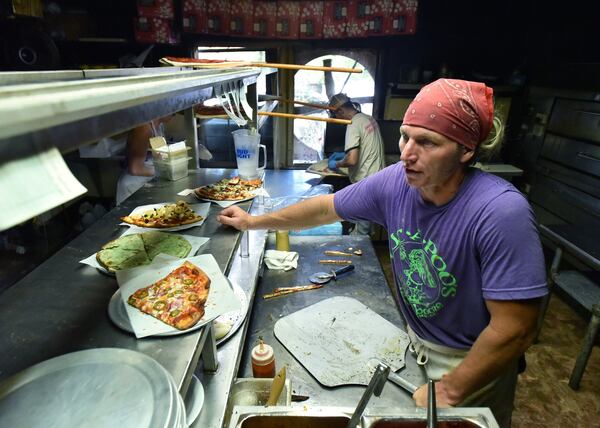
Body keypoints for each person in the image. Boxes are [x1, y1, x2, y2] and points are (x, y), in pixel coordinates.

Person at [218, 79, 547, 427]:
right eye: (405, 136)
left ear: (466, 150)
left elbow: (516, 329)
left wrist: (450, 389)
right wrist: (254, 221)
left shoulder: (500, 212)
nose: (406, 153)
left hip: (470, 361)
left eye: (427, 142)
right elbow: (324, 209)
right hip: (416, 341)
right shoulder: (396, 184)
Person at [327, 93, 386, 235]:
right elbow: (365, 148)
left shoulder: (352, 123)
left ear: (340, 111)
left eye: (335, 115)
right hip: (379, 179)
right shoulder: (367, 118)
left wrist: (337, 164)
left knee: (360, 233)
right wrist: (344, 153)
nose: (337, 119)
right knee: (366, 224)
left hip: (366, 184)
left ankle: (360, 256)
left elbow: (352, 160)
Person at [116, 116, 172, 205]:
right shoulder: (145, 128)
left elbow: (158, 154)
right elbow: (135, 169)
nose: (175, 114)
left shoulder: (159, 124)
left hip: (147, 182)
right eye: (173, 111)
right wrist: (164, 170)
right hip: (134, 187)